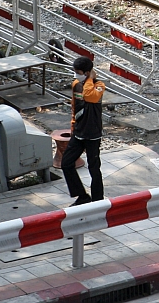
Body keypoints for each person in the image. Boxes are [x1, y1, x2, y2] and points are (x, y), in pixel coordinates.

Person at [62, 57, 105, 206]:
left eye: (78, 72)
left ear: (87, 73)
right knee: (66, 163)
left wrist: (90, 79)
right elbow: (75, 106)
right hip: (79, 133)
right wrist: (73, 126)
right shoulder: (76, 84)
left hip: (93, 134)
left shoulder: (99, 86)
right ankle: (82, 196)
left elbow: (89, 96)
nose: (75, 75)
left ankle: (98, 201)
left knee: (94, 169)